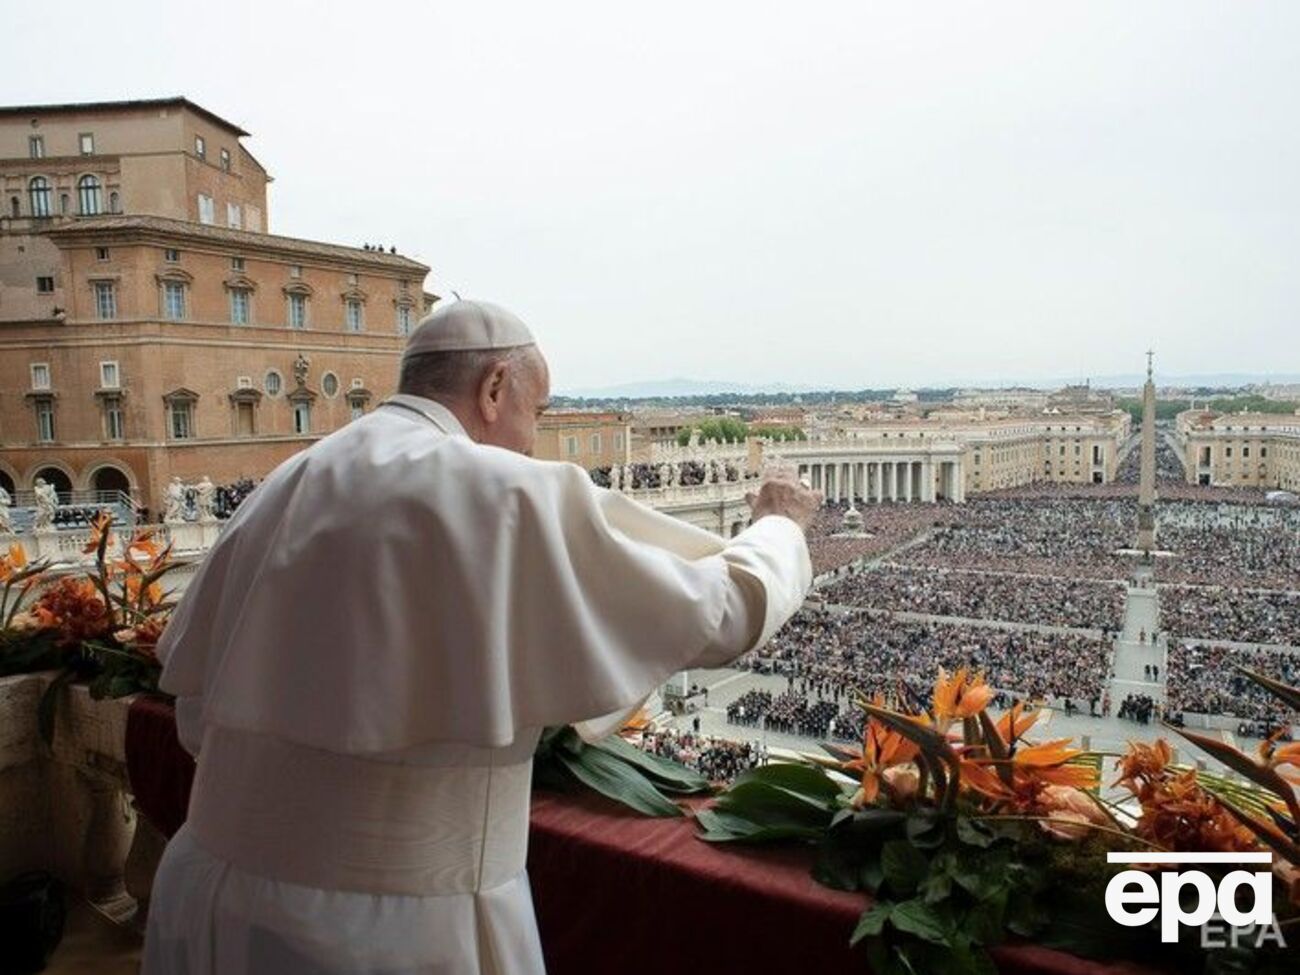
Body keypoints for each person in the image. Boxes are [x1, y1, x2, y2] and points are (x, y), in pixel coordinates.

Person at [142, 299, 820, 975]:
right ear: (495, 387)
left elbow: (201, 716)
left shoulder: (288, 479)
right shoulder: (497, 490)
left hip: (207, 895)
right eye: (540, 410)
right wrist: (779, 527)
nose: (533, 438)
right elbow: (715, 611)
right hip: (385, 928)